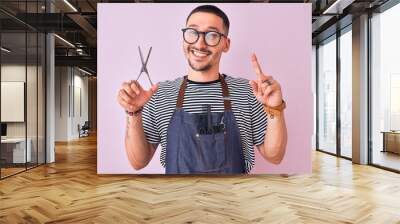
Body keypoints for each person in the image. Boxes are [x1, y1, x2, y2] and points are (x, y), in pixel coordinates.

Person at [117, 5, 287, 174]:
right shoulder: (160, 94)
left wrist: (275, 108)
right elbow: (138, 162)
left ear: (226, 44)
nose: (199, 43)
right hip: (177, 198)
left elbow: (275, 156)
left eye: (212, 35)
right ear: (183, 39)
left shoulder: (249, 92)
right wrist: (134, 113)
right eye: (192, 32)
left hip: (233, 198)